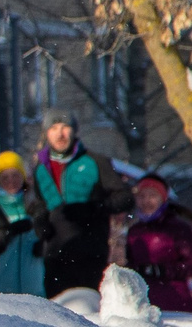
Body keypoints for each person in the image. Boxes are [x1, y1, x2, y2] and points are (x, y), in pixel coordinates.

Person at [33, 113, 130, 297]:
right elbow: (40, 202)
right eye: (53, 128)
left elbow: (125, 198)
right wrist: (39, 219)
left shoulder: (95, 161)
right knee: (57, 315)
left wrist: (93, 208)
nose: (60, 134)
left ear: (74, 131)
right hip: (55, 255)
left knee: (88, 313)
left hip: (90, 253)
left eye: (65, 127)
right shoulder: (40, 167)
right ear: (46, 133)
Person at [122, 173, 192, 312]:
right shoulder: (134, 231)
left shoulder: (178, 229)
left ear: (163, 198)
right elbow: (131, 263)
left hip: (175, 304)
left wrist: (162, 270)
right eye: (142, 196)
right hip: (143, 305)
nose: (146, 201)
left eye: (152, 196)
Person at [0, 151, 48, 296]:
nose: (11, 180)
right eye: (5, 177)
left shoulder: (34, 202)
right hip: (1, 278)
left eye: (15, 175)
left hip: (32, 278)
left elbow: (45, 232)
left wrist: (44, 244)